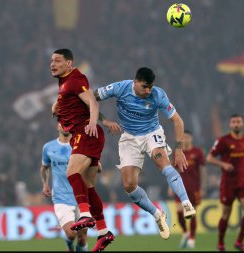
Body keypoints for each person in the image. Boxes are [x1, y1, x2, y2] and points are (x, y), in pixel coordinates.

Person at [93, 67, 196, 240]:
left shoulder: (158, 95)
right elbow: (90, 98)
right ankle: (157, 215)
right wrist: (104, 121)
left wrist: (178, 149)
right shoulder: (120, 88)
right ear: (135, 82)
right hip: (129, 138)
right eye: (144, 87)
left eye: (150, 87)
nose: (148, 91)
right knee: (129, 186)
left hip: (151, 133)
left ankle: (186, 203)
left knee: (163, 162)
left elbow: (177, 120)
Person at [50, 48, 117, 251]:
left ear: (69, 63)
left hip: (85, 133)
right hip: (84, 136)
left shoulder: (75, 78)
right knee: (88, 185)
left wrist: (92, 123)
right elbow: (68, 102)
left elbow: (93, 104)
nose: (53, 64)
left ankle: (86, 216)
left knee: (72, 172)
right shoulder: (64, 84)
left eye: (58, 61)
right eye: (51, 61)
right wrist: (56, 106)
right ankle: (104, 232)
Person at [206, 114, 244, 252]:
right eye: (233, 122)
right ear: (230, 125)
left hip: (243, 181)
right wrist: (223, 164)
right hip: (228, 183)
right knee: (226, 214)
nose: (236, 124)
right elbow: (209, 158)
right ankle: (220, 242)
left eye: (238, 121)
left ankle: (239, 241)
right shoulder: (223, 141)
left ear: (243, 124)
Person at [40, 123, 88, 251]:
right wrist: (45, 184)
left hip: (81, 197)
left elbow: (94, 164)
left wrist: (96, 165)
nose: (65, 126)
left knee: (82, 239)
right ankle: (69, 245)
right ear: (58, 126)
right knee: (72, 234)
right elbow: (44, 168)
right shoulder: (48, 147)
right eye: (63, 124)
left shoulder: (80, 145)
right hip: (61, 198)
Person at [168, 130, 206, 249]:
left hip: (194, 188)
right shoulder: (177, 153)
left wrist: (203, 187)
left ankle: (192, 238)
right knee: (179, 213)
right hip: (180, 187)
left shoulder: (198, 152)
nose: (185, 139)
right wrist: (170, 186)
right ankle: (185, 232)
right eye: (183, 137)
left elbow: (203, 170)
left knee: (192, 213)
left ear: (192, 139)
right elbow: (173, 172)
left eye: (188, 137)